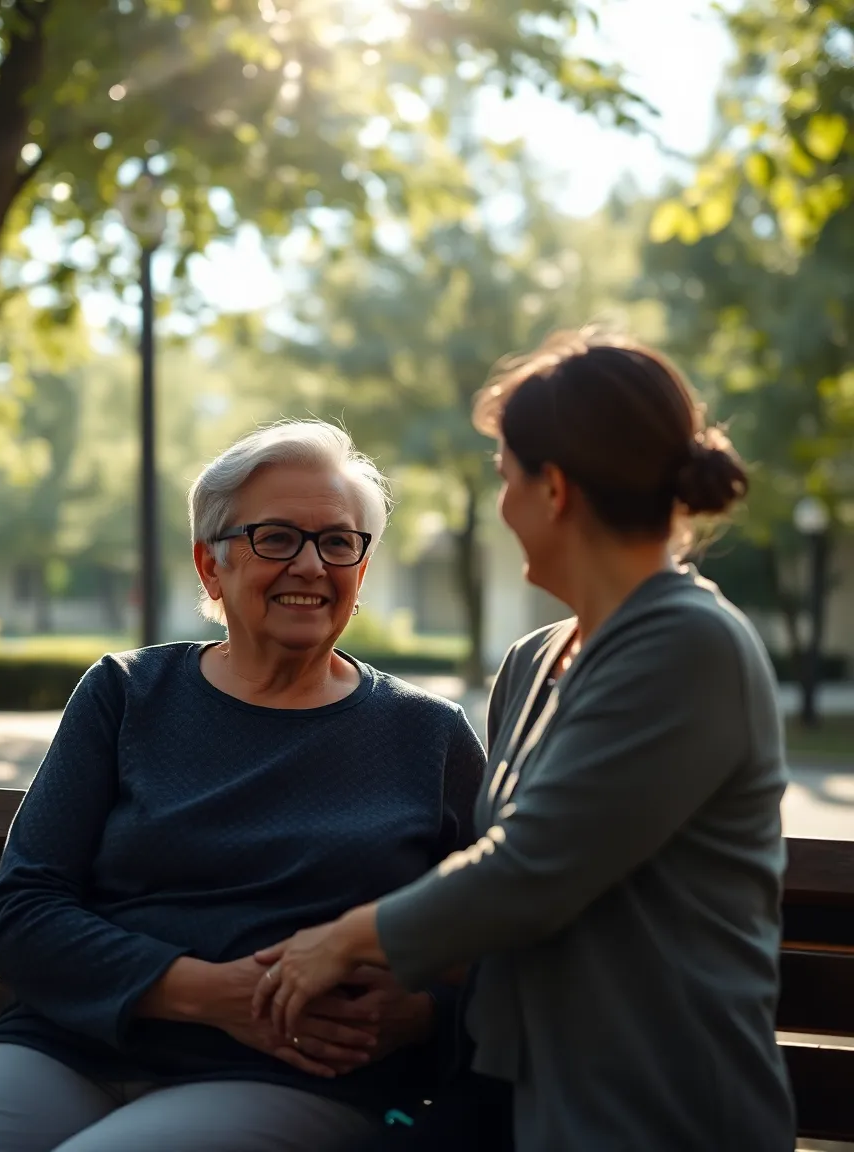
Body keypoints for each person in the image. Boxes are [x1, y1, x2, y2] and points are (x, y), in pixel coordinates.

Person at [252, 333, 798, 1152]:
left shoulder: (690, 645)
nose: (501, 505)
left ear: (556, 489)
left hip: (654, 1108)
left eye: (506, 476)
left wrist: (339, 943)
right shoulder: (534, 660)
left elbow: (530, 869)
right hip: (519, 1094)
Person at [0, 420, 485, 1152]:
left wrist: (423, 1015)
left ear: (360, 575)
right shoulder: (127, 693)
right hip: (68, 1047)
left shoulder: (429, 736)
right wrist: (218, 996)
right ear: (211, 568)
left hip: (288, 1074)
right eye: (276, 538)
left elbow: (495, 935)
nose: (310, 565)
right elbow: (22, 912)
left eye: (337, 542)